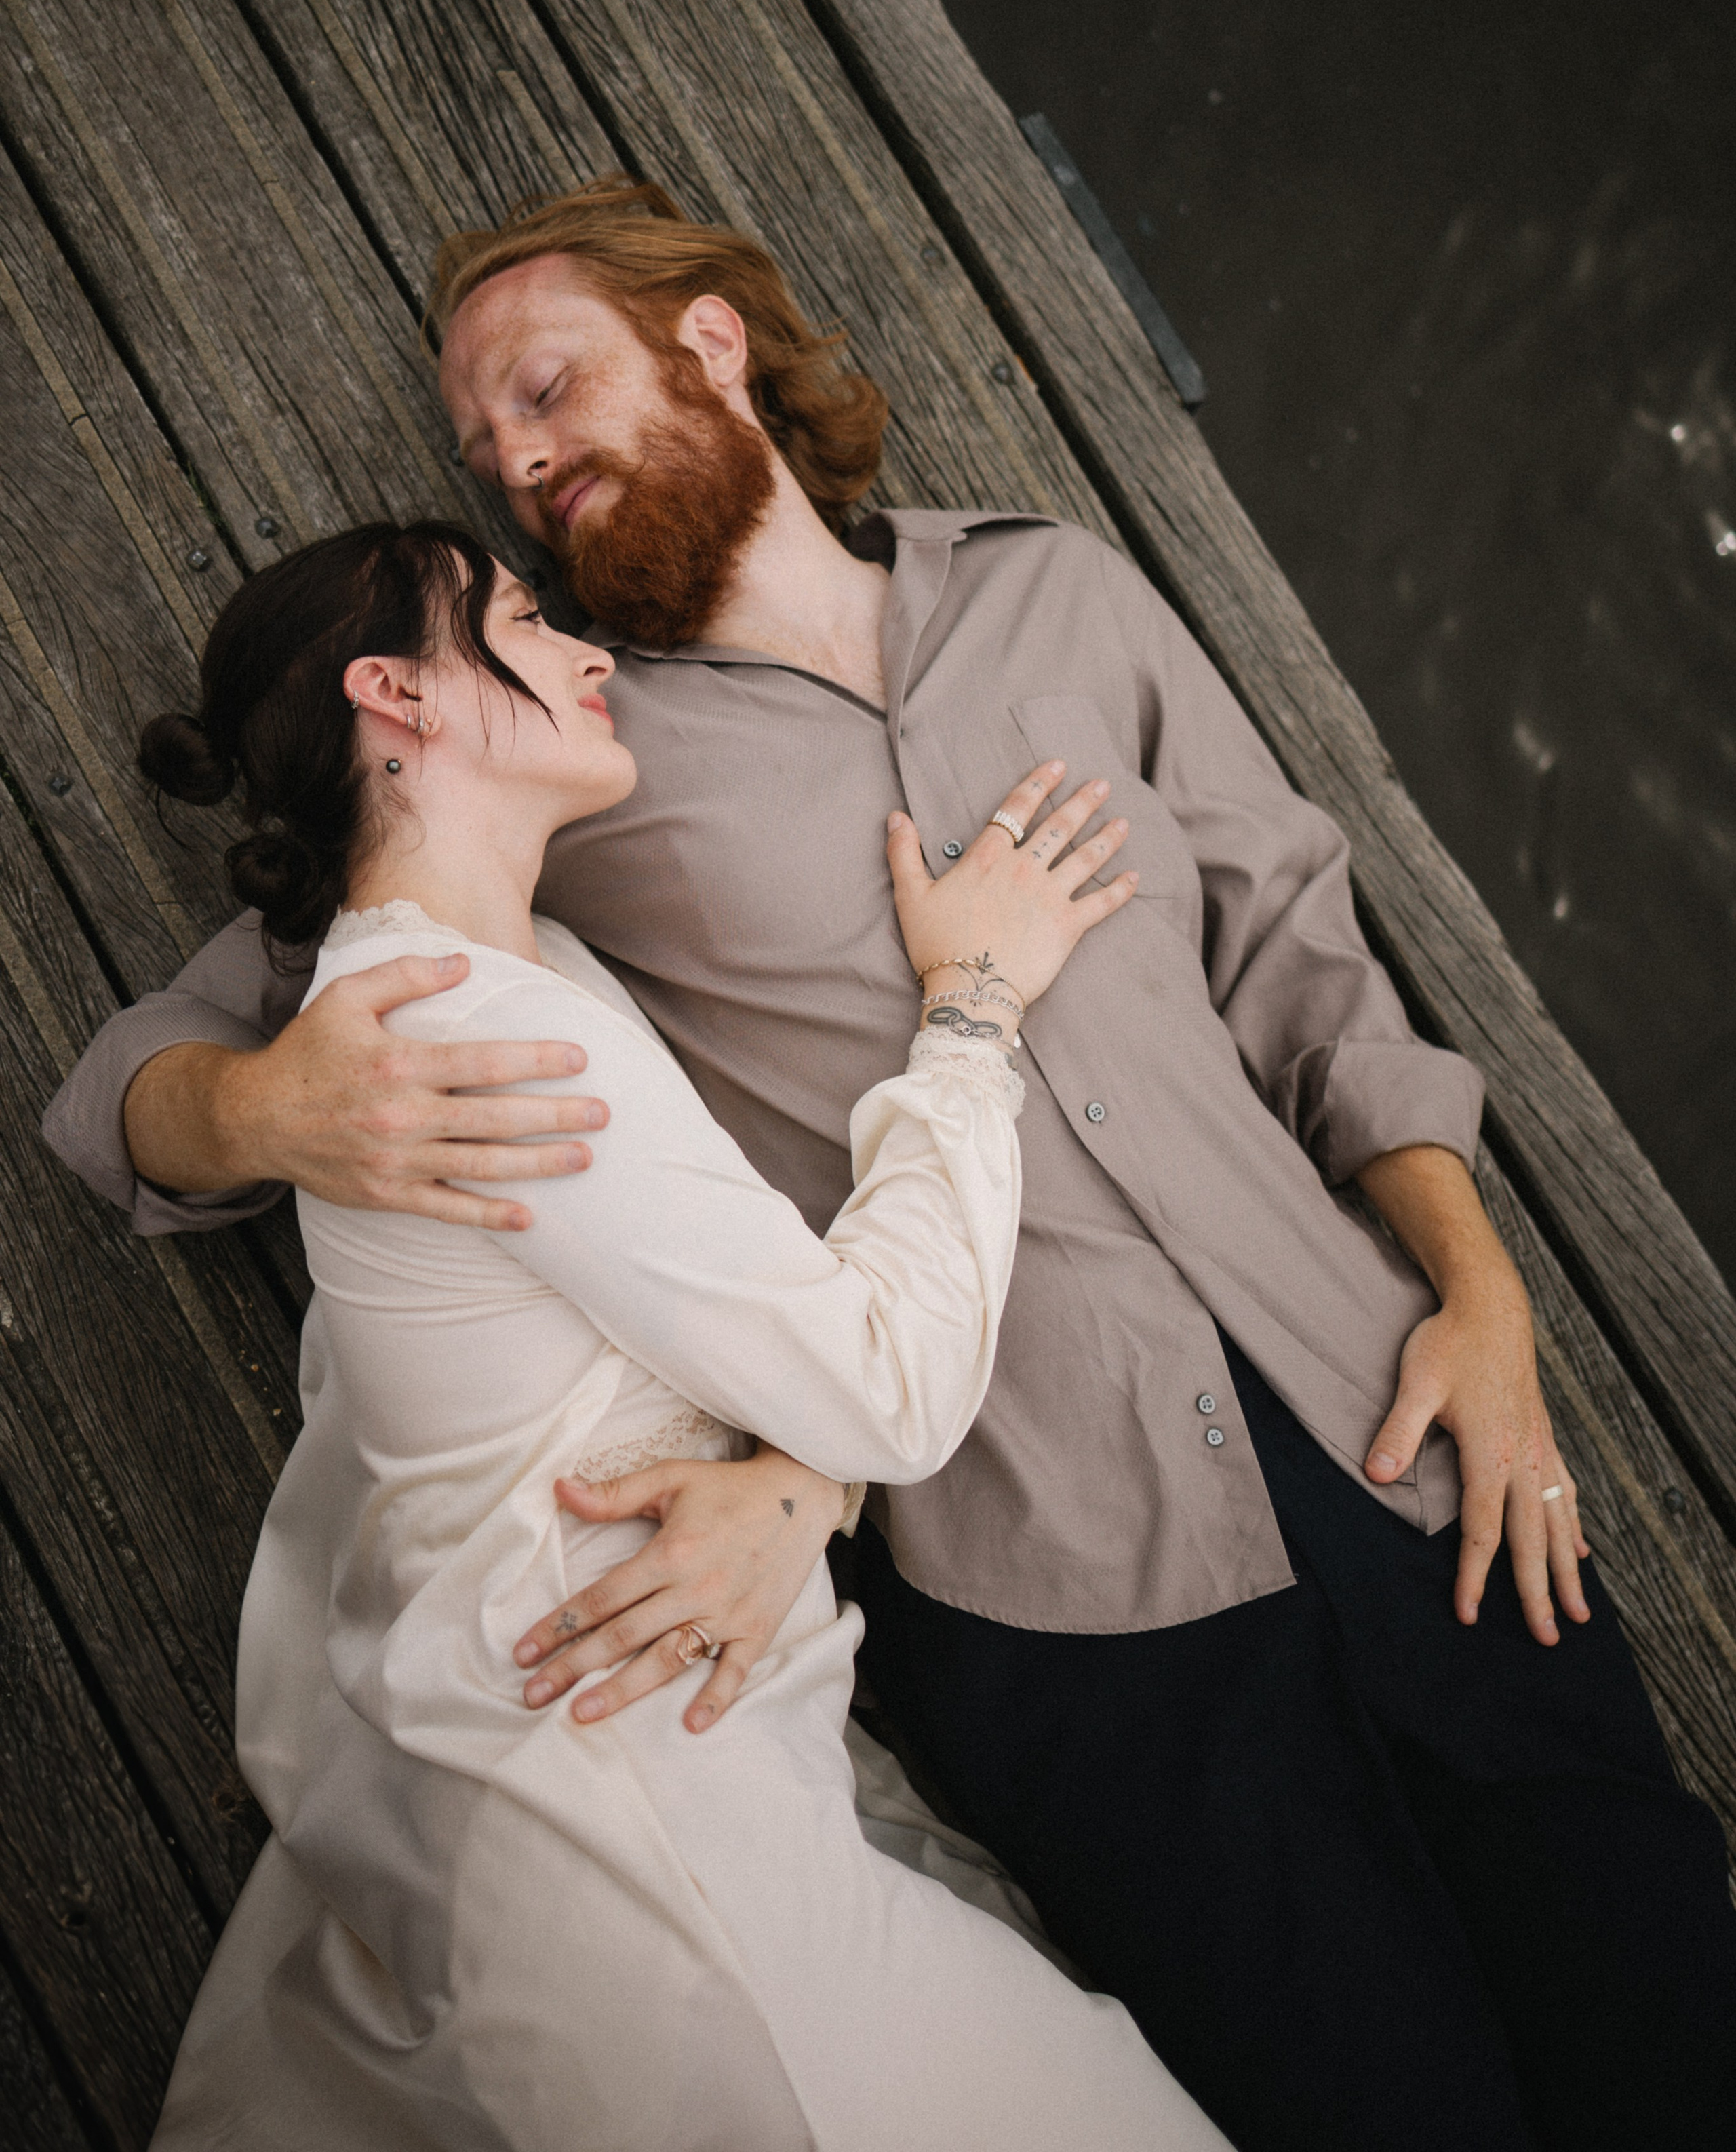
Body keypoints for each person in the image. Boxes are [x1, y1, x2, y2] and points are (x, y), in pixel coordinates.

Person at [51, 178, 1736, 2152]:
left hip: (1405, 1439)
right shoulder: (561, 768)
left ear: (710, 346)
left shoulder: (1064, 593)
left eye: (545, 387)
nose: (514, 460)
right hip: (1070, 1610)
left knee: (1670, 2023)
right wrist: (263, 1112)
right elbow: (133, 1083)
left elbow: (1305, 961)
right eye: (483, 448)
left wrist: (1487, 1291)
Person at [134, 514, 1220, 2150]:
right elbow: (887, 1381)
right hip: (652, 1862)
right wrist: (975, 1009)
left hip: (668, 1778)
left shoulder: (498, 969)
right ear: (395, 696)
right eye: (516, 618)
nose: (585, 652)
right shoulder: (473, 1039)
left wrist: (796, 1484)